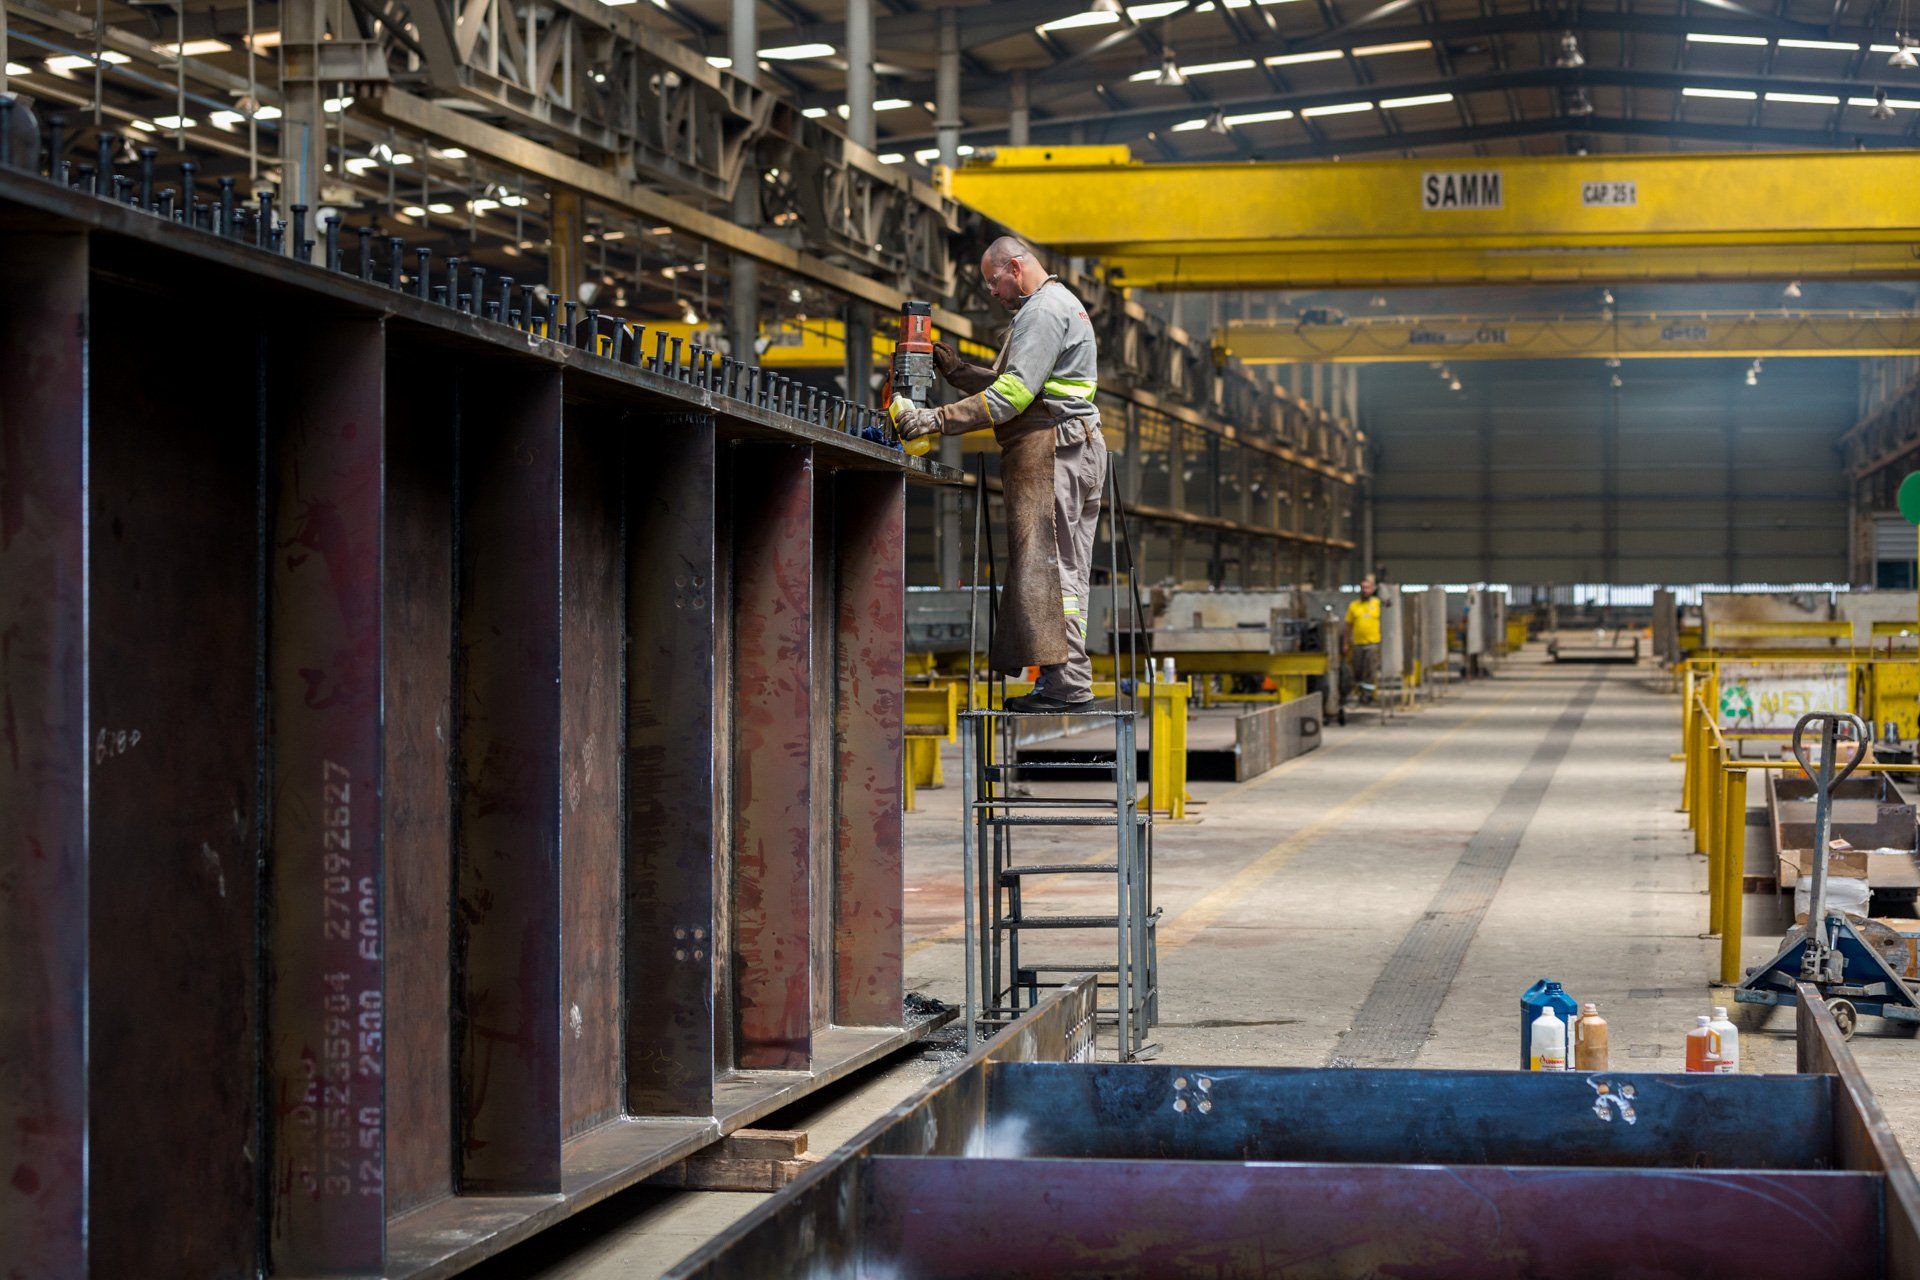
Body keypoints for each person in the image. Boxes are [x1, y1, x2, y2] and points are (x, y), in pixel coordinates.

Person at [890, 236, 1105, 713]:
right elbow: (1022, 386)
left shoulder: (1044, 312)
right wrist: (960, 371)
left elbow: (1014, 396)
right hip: (1066, 444)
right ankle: (1060, 680)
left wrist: (937, 419)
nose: (992, 291)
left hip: (1060, 447)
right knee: (1051, 567)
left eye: (994, 280)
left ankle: (1068, 686)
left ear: (1015, 266)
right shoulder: (1050, 306)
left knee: (1057, 568)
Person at [1344, 575, 1384, 704]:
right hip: (1357, 644)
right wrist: (1346, 642)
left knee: (1370, 671)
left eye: (1367, 588)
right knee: (1358, 671)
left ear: (1372, 589)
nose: (1365, 590)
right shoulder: (1354, 606)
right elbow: (1348, 626)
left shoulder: (1377, 603)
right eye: (1363, 588)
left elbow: (1389, 606)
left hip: (1372, 643)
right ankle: (1360, 692)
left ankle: (1368, 695)